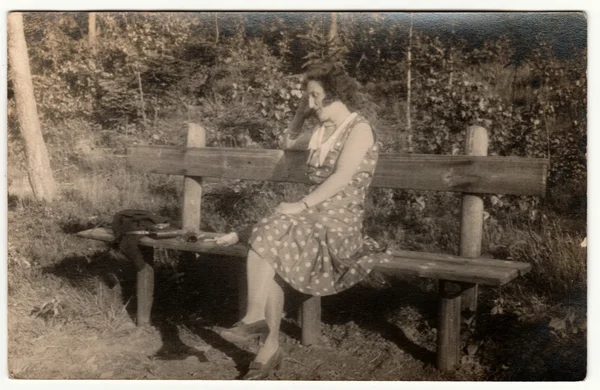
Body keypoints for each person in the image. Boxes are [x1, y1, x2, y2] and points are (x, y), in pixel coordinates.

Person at [216, 63, 392, 379]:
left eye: (315, 97)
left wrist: (301, 204)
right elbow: (288, 142)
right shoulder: (322, 131)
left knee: (270, 236)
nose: (310, 104)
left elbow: (341, 178)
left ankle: (265, 340)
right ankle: (257, 324)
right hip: (312, 219)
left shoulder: (360, 129)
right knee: (269, 237)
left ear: (336, 95)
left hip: (339, 225)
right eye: (308, 98)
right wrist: (301, 109)